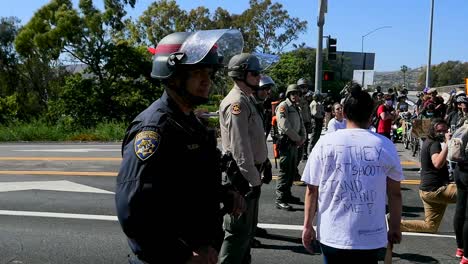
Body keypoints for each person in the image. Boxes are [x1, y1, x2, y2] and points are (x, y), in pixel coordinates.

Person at [115, 29, 245, 264]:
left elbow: (188, 183)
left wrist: (225, 192)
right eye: (197, 72)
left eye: (209, 72)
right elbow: (132, 210)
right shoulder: (155, 128)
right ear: (173, 77)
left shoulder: (189, 122)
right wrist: (182, 255)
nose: (207, 80)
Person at [301, 83, 403, 263]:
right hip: (371, 236)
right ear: (371, 115)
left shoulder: (325, 143)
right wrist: (395, 226)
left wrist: (307, 226)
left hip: (332, 234)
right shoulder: (385, 145)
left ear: (345, 113)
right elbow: (394, 193)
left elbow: (311, 190)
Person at [218, 53, 269, 264]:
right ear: (241, 74)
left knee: (246, 235)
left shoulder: (247, 99)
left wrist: (263, 162)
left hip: (249, 173)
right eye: (254, 73)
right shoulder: (236, 103)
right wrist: (253, 180)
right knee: (237, 234)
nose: (259, 77)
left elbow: (253, 138)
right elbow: (240, 149)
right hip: (241, 178)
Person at [400, 118, 456, 233]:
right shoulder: (434, 144)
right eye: (439, 131)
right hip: (437, 190)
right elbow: (437, 163)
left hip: (426, 191)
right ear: (432, 130)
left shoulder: (428, 141)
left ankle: (394, 222)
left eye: (445, 131)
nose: (443, 133)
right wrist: (448, 144)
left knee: (430, 226)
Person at [275, 84, 306, 211]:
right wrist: (298, 138)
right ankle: (280, 199)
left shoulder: (296, 107)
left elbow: (301, 124)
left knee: (291, 171)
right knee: (284, 171)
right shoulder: (284, 106)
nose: (295, 96)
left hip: (294, 143)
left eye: (297, 93)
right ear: (288, 94)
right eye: (293, 93)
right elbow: (284, 125)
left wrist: (302, 137)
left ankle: (287, 195)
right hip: (287, 143)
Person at [297, 78, 313, 161]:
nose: (305, 89)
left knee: (306, 138)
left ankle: (304, 153)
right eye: (303, 87)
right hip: (299, 121)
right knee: (299, 138)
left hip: (306, 120)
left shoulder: (308, 97)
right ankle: (300, 153)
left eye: (306, 87)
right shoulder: (297, 97)